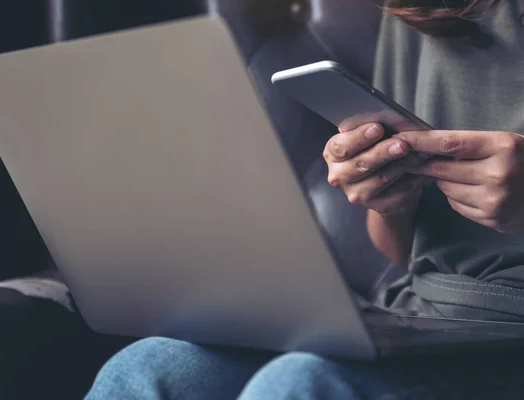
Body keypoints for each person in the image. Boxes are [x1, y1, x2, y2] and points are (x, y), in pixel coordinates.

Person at [85, 1, 524, 398]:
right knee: (150, 368)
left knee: (301, 386)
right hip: (429, 318)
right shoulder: (415, 10)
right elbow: (399, 250)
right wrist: (391, 200)